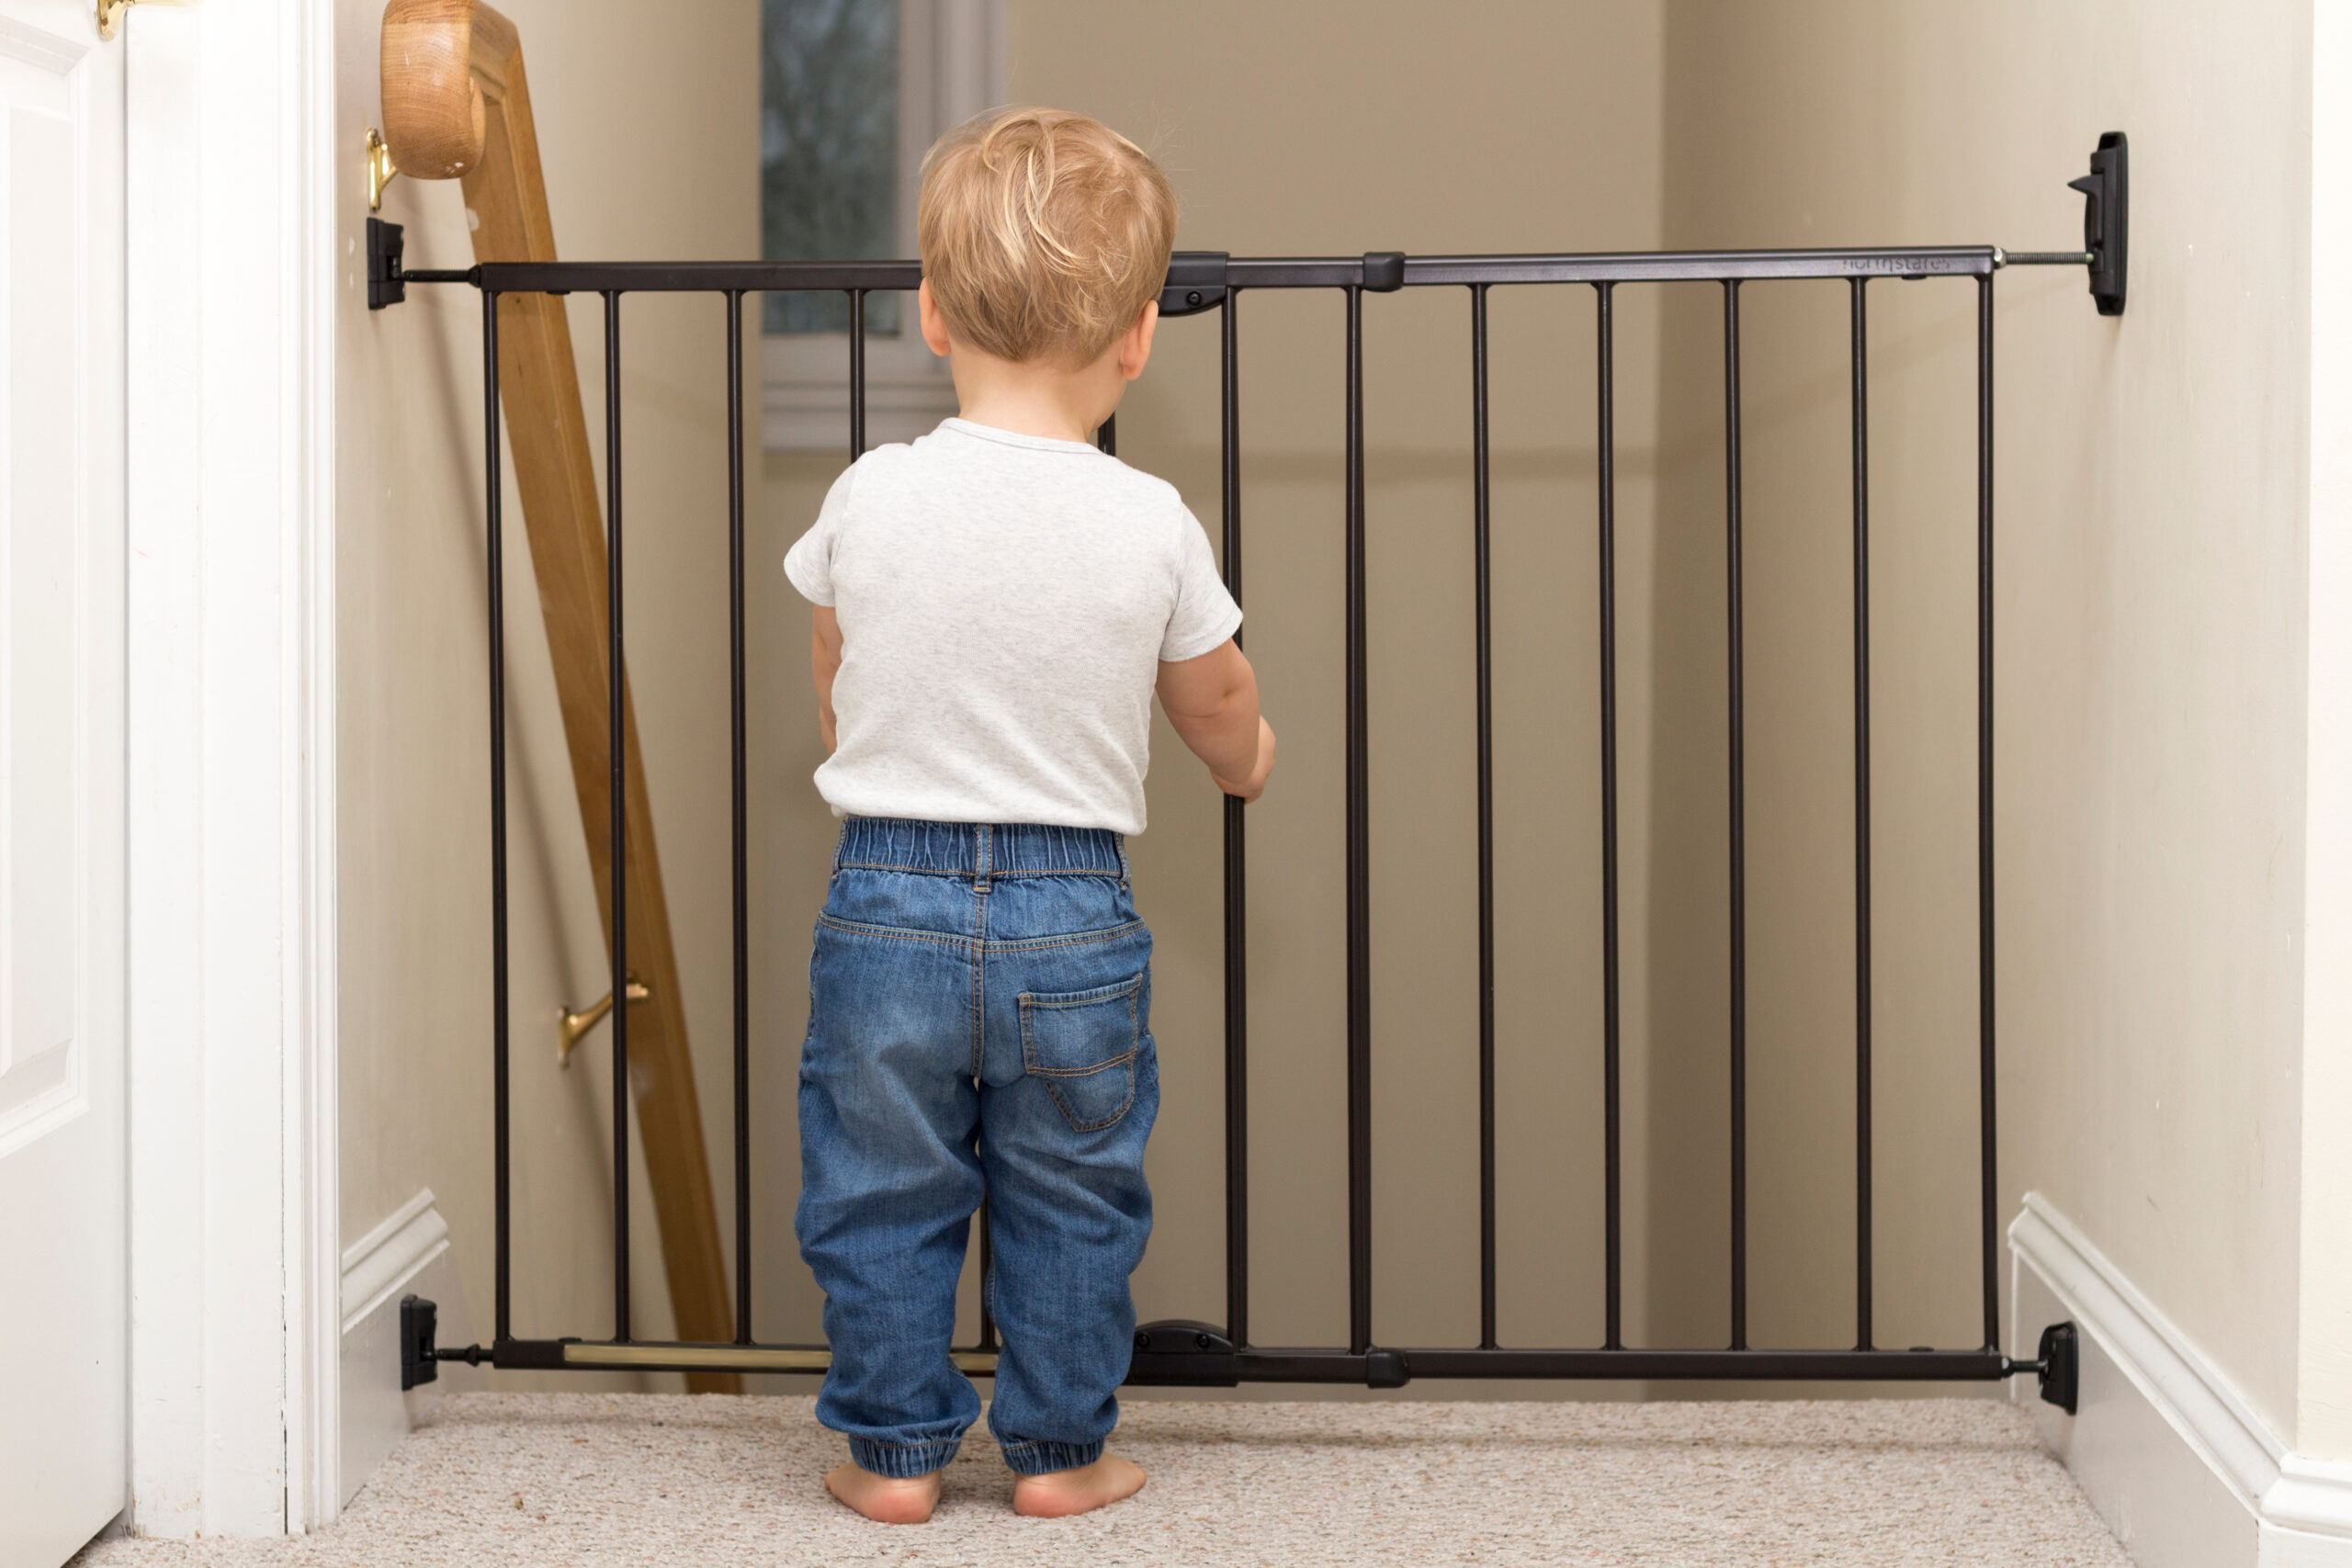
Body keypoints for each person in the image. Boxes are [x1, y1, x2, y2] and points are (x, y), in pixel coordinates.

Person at [783, 106, 1275, 1526]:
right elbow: (1215, 693)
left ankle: (893, 1456)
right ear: (1138, 337)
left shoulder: (873, 493)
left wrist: (864, 742)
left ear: (933, 315)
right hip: (1072, 912)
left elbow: (836, 655)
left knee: (878, 1190)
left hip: (886, 897)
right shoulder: (1150, 518)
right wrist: (1246, 763)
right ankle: (1060, 1452)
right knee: (1073, 1192)